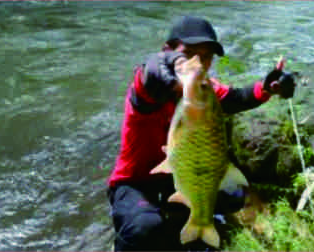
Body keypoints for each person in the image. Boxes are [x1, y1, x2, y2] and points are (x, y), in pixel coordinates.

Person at [106, 16, 296, 251]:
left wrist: (267, 89)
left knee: (233, 197)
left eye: (205, 57)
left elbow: (236, 98)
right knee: (145, 226)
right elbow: (152, 69)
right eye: (188, 53)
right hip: (134, 182)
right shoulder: (149, 85)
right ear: (168, 51)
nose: (198, 62)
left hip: (178, 175)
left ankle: (186, 218)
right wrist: (174, 64)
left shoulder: (205, 92)